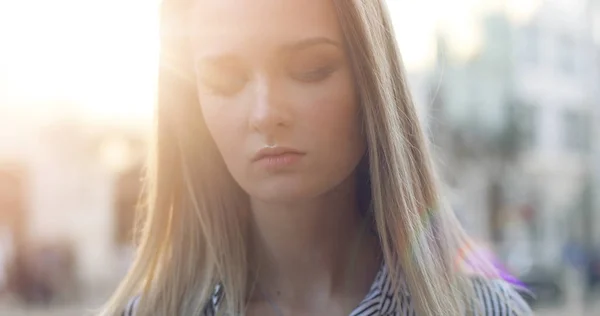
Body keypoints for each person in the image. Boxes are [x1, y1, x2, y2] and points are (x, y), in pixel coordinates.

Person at [101, 0, 532, 315]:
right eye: (225, 79)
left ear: (372, 86)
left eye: (311, 69)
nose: (266, 114)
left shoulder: (486, 311)